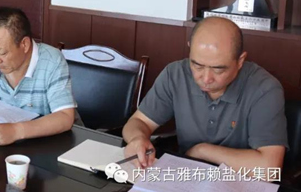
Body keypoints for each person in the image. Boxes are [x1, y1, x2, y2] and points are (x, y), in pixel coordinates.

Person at [122, 17, 287, 175]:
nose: (206, 78)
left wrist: (202, 151)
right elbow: (139, 121)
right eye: (197, 65)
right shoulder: (176, 74)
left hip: (240, 182)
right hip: (186, 176)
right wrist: (137, 138)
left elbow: (269, 168)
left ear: (240, 61)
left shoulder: (264, 89)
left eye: (218, 69)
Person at [0, 7, 77, 146]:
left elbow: (65, 117)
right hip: (10, 142)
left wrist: (16, 131)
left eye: (2, 52)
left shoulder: (52, 61)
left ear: (24, 44)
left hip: (50, 144)